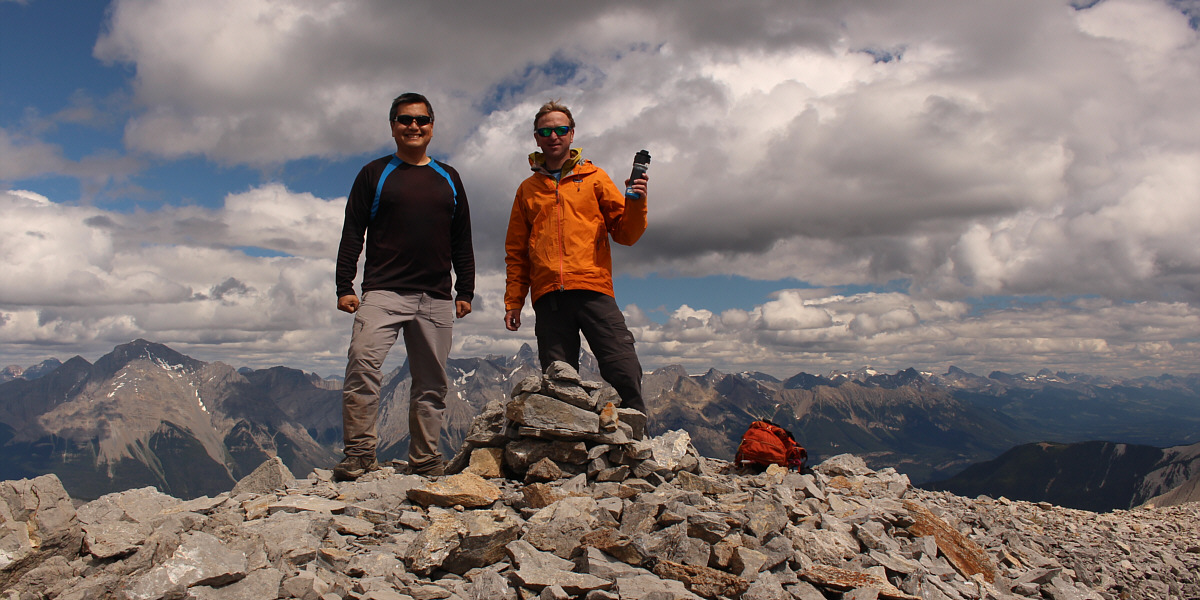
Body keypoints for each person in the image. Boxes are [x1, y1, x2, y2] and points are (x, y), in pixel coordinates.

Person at [333, 92, 474, 481]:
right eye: (405, 120)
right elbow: (352, 233)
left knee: (431, 383)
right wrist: (344, 284)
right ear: (393, 126)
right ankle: (360, 454)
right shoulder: (374, 174)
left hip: (435, 297)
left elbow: (462, 238)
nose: (414, 126)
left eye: (421, 120)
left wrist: (466, 291)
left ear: (432, 126)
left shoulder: (449, 177)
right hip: (383, 291)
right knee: (362, 364)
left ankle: (426, 461)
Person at [503, 100, 650, 415]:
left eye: (560, 129)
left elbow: (627, 234)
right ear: (536, 137)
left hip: (592, 287)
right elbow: (516, 252)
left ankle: (641, 440)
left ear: (572, 134)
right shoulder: (527, 190)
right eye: (545, 130)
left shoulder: (595, 177)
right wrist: (514, 301)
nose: (553, 135)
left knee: (622, 365)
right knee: (559, 382)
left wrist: (636, 202)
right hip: (548, 297)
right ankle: (567, 453)